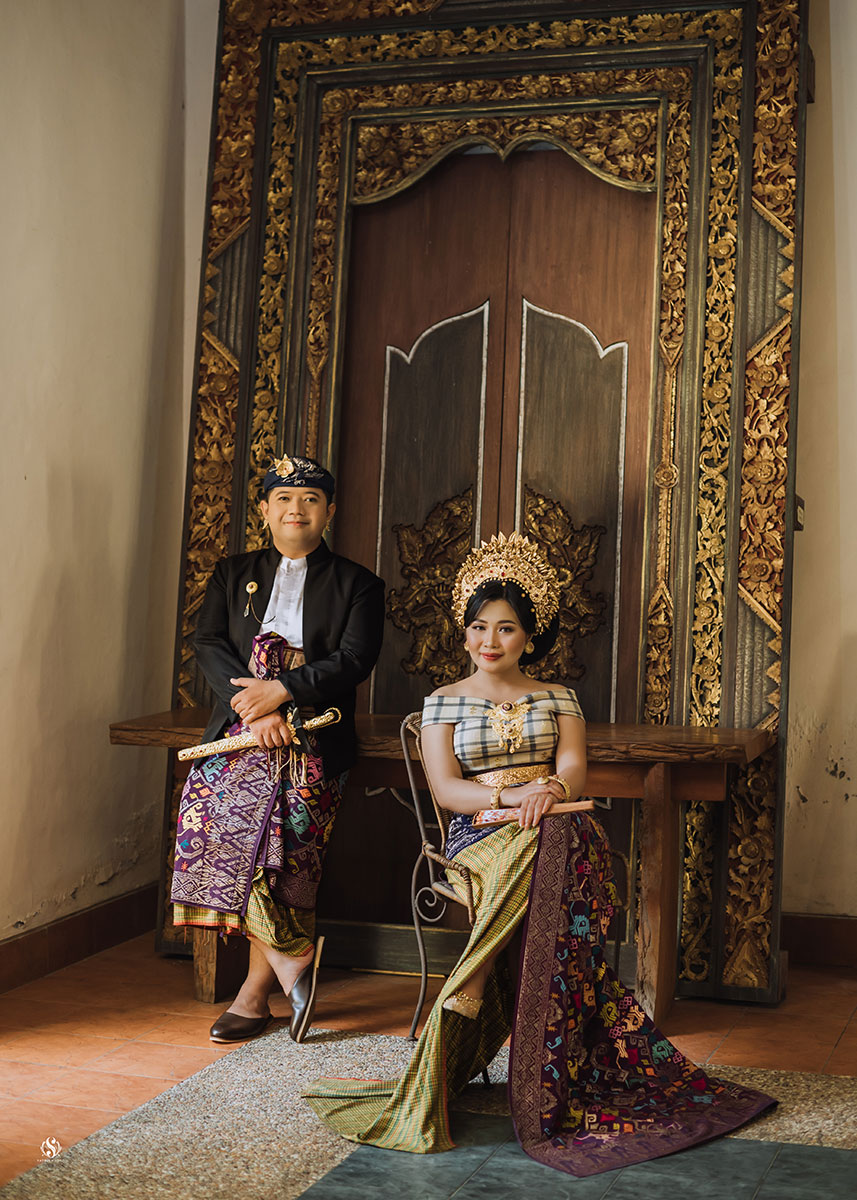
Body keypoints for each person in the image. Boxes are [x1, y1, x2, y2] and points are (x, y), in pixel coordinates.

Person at [304, 532, 774, 1176]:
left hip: (557, 818)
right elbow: (447, 790)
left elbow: (574, 768)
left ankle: (476, 983)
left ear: (530, 636)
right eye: (478, 627)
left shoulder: (559, 697)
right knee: (543, 843)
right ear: (464, 632)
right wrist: (513, 796)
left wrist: (549, 791)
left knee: (558, 836)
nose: (489, 640)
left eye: (505, 628)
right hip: (478, 833)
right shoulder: (443, 701)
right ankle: (483, 988)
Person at [170, 455, 384, 1045]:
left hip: (313, 732)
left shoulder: (359, 584)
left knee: (288, 854)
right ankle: (293, 961)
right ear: (264, 510)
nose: (296, 509)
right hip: (239, 730)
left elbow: (354, 659)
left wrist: (283, 693)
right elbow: (208, 642)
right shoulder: (231, 573)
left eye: (310, 499)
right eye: (284, 499)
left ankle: (253, 994)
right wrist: (254, 707)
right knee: (212, 827)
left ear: (329, 511)